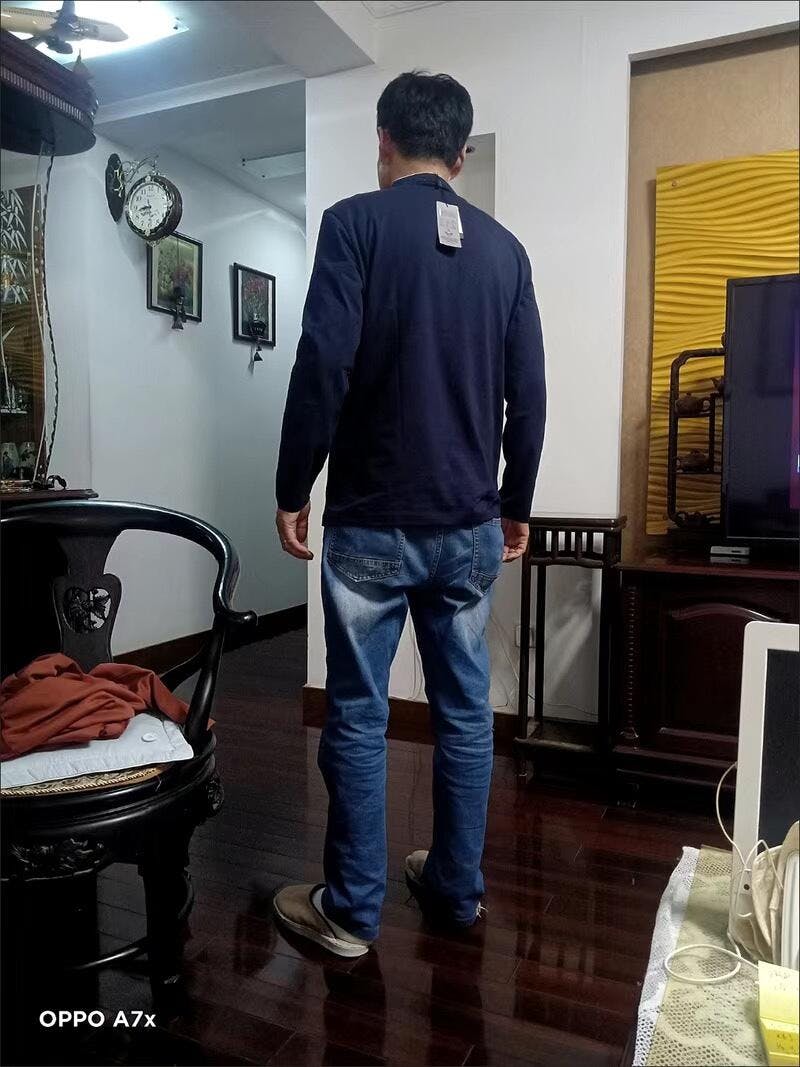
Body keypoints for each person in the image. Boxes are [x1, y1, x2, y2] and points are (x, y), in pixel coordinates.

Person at [272, 71, 546, 957]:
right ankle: (456, 891)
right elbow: (530, 396)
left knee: (358, 712)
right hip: (468, 527)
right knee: (465, 712)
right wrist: (516, 503)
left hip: (370, 524)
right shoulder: (507, 253)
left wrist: (293, 484)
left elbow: (323, 363)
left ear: (383, 141)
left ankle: (352, 911)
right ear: (461, 155)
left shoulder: (353, 225)